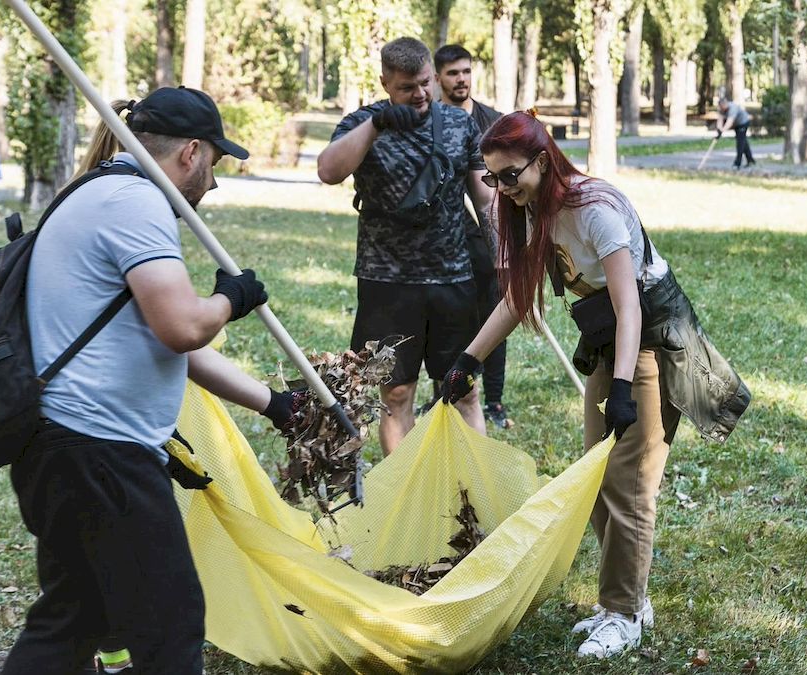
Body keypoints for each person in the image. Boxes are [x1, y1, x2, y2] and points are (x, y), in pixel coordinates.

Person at [2, 87, 307, 675]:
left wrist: (273, 404)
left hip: (61, 450)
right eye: (214, 165)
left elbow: (158, 343)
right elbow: (182, 329)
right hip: (102, 455)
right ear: (191, 153)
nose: (213, 184)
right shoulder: (135, 203)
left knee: (72, 620)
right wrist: (229, 298)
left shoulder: (94, 192)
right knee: (170, 626)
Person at [441, 111, 750, 659]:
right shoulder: (534, 210)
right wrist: (469, 358)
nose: (500, 188)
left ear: (541, 161)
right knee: (597, 476)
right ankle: (624, 601)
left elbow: (631, 307)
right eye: (491, 178)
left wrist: (626, 387)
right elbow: (517, 298)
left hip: (653, 340)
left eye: (508, 175)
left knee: (629, 484)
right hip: (611, 341)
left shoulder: (595, 210)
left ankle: (626, 614)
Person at [317, 37, 494, 455]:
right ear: (384, 83)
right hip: (387, 285)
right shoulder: (362, 124)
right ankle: (408, 495)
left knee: (464, 391)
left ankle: (476, 492)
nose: (419, 95)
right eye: (406, 87)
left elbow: (485, 200)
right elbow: (328, 170)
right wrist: (377, 125)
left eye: (424, 83)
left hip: (454, 279)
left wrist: (505, 253)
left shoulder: (457, 123)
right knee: (396, 396)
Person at [433, 43, 512, 429]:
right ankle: (444, 392)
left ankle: (494, 401)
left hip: (489, 237)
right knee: (451, 319)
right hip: (447, 242)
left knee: (495, 313)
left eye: (465, 71)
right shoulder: (430, 121)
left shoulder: (492, 122)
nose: (461, 79)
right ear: (437, 78)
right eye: (452, 73)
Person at [716, 97, 755, 169]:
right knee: (743, 141)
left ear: (725, 104)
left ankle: (737, 163)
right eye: (720, 107)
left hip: (743, 122)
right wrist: (719, 130)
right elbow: (720, 120)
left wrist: (722, 130)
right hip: (736, 124)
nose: (721, 108)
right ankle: (750, 160)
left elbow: (729, 122)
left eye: (722, 107)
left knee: (740, 143)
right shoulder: (721, 109)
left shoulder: (733, 108)